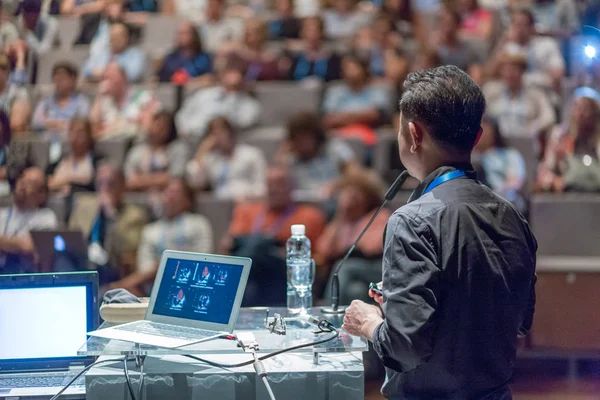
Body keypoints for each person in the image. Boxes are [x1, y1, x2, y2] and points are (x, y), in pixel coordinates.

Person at [342, 65, 537, 399]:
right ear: (476, 138)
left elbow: (403, 347)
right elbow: (519, 321)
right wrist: (405, 304)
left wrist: (368, 321)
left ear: (414, 135)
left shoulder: (411, 221)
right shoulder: (513, 217)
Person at [221, 166, 326, 306]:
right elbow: (228, 246)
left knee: (256, 251)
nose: (274, 189)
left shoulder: (310, 216)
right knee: (253, 251)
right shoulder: (247, 211)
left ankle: (227, 301)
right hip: (252, 279)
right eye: (270, 184)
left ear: (292, 187)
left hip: (284, 276)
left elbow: (320, 259)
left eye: (280, 184)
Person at [110, 179, 212, 295]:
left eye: (176, 193)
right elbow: (144, 268)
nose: (170, 197)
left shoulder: (199, 224)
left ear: (187, 200)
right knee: (122, 292)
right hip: (155, 288)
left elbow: (205, 260)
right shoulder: (150, 231)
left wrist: (166, 263)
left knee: (124, 285)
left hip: (191, 285)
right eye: (167, 192)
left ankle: (125, 283)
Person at [315, 169, 390, 303]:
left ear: (368, 197)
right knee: (355, 290)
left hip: (375, 270)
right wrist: (340, 215)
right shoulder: (341, 221)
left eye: (357, 193)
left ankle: (328, 313)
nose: (351, 197)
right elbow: (324, 249)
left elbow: (371, 247)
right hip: (356, 280)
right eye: (347, 192)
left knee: (344, 267)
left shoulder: (379, 216)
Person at [69, 162, 148, 284]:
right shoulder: (84, 205)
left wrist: (111, 214)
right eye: (100, 183)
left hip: (110, 265)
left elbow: (126, 252)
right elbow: (71, 236)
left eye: (110, 184)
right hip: (81, 260)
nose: (104, 189)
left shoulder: (134, 215)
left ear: (122, 186)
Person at [276, 111, 359, 199]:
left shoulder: (335, 147)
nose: (301, 142)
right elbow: (280, 188)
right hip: (303, 207)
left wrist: (336, 184)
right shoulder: (290, 159)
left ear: (316, 135)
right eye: (296, 138)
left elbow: (355, 173)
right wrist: (281, 158)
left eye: (304, 137)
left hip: (334, 201)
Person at [186, 116, 266, 201]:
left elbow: (261, 186)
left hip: (247, 202)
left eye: (221, 131)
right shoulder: (211, 159)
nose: (218, 136)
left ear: (230, 132)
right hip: (220, 204)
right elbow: (194, 182)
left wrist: (248, 197)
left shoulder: (251, 154)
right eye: (213, 133)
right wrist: (202, 150)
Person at [488, 8, 565, 91]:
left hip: (541, 91)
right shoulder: (509, 47)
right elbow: (490, 74)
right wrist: (503, 40)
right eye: (515, 24)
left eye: (522, 24)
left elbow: (557, 76)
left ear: (531, 27)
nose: (519, 29)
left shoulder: (547, 44)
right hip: (516, 94)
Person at [175, 65, 260, 139]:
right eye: (229, 74)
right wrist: (184, 130)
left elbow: (241, 123)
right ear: (221, 77)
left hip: (226, 143)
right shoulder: (204, 94)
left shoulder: (250, 105)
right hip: (193, 138)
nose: (232, 79)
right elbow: (183, 114)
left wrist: (232, 96)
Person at [483, 50, 555, 138]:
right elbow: (483, 116)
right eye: (506, 70)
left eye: (514, 70)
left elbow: (549, 117)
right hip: (498, 143)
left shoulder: (535, 94)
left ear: (522, 71)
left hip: (525, 141)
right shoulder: (491, 91)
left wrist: (534, 128)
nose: (510, 74)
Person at [0, 167, 58, 274]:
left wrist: (5, 243)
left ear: (42, 194)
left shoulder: (46, 217)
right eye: (22, 178)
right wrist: (16, 244)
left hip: (28, 276)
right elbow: (22, 245)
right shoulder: (2, 214)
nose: (23, 184)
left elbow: (29, 246)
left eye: (31, 183)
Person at [538, 96, 600, 192]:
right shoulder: (560, 137)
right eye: (578, 108)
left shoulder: (598, 141)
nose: (582, 113)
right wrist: (554, 180)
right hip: (567, 193)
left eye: (587, 108)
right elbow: (545, 173)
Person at [322, 54, 390, 140]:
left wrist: (343, 117)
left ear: (363, 69)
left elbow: (375, 116)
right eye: (347, 69)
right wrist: (360, 116)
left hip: (368, 133)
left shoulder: (377, 90)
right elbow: (329, 120)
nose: (350, 72)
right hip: (339, 134)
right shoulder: (335, 91)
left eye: (354, 68)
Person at [89, 63, 158, 139]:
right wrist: (100, 95)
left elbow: (151, 125)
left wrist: (115, 126)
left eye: (110, 78)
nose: (106, 83)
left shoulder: (143, 96)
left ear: (122, 79)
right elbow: (93, 126)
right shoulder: (105, 101)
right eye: (104, 78)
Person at [124, 111, 189, 192]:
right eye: (156, 124)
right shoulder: (137, 150)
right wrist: (159, 179)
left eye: (163, 127)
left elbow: (175, 178)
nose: (158, 129)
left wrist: (142, 180)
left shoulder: (178, 149)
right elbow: (130, 181)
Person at [474, 115, 527, 209]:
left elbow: (515, 183)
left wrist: (498, 193)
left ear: (494, 132)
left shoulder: (510, 155)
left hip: (503, 198)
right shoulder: (469, 157)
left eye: (484, 130)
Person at [32, 62, 91, 137]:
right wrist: (57, 124)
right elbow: (36, 123)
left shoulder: (81, 102)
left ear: (73, 80)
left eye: (63, 78)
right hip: (47, 141)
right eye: (56, 78)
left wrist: (54, 124)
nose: (58, 82)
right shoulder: (46, 102)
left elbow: (83, 124)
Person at [429, 7, 483, 82]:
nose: (446, 28)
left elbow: (476, 75)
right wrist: (432, 49)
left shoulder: (467, 49)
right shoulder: (435, 49)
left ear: (457, 26)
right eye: (442, 23)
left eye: (449, 23)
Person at [218, 18, 282, 81]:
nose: (253, 35)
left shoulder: (273, 57)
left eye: (257, 32)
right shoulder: (235, 54)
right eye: (249, 32)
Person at [284, 16, 342, 82]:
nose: (312, 35)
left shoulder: (332, 58)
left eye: (316, 30)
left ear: (321, 33)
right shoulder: (294, 57)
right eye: (308, 30)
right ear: (302, 33)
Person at [47, 118, 96, 194]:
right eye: (72, 131)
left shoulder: (97, 161)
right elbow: (48, 183)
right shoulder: (60, 161)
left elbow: (96, 184)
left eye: (80, 132)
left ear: (89, 135)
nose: (76, 136)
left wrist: (68, 181)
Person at [0, 53, 30, 134]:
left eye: (3, 68)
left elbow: (16, 124)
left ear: (8, 72)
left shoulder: (18, 92)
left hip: (8, 142)